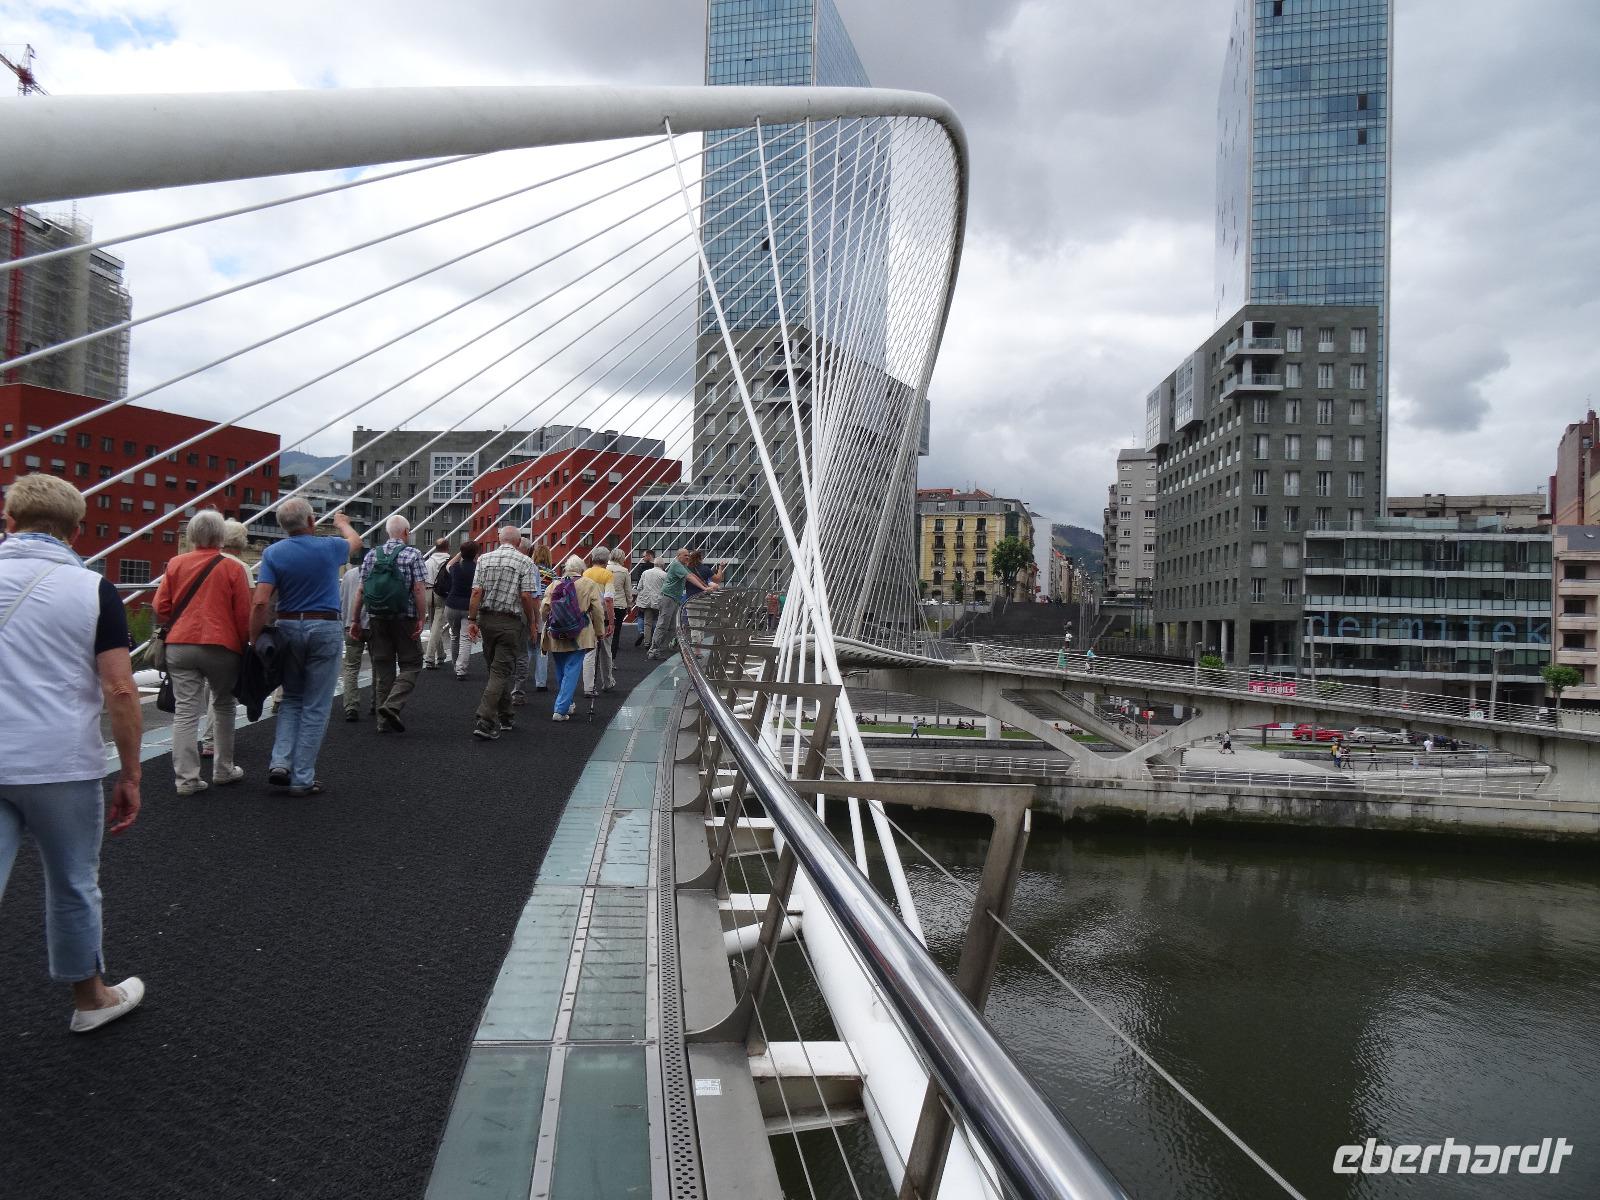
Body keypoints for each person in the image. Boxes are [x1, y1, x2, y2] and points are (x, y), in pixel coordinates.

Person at [0, 473, 146, 1032]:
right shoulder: (93, 590)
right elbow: (120, 689)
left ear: (9, 521)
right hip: (59, 760)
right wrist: (130, 773)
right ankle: (90, 999)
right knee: (72, 882)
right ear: (76, 532)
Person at [252, 497, 364, 796]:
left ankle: (279, 762)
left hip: (287, 628)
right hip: (325, 626)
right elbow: (356, 542)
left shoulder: (273, 553)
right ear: (312, 521)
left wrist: (255, 638)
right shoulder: (329, 546)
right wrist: (342, 524)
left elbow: (261, 600)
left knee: (291, 699)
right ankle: (302, 778)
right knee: (316, 705)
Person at [155, 510, 254, 795]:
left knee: (185, 712)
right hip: (221, 646)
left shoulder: (175, 564)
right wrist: (243, 646)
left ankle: (186, 779)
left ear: (192, 536)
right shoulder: (232, 568)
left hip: (180, 645)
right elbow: (242, 614)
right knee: (223, 705)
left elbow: (161, 607)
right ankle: (224, 770)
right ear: (221, 536)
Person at [350, 515, 427, 732]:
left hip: (376, 619)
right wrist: (422, 618)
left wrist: (356, 620)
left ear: (387, 532)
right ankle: (392, 706)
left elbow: (361, 591)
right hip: (405, 618)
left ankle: (382, 723)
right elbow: (419, 589)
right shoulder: (413, 554)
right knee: (412, 664)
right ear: (406, 532)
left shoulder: (372, 554)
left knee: (383, 668)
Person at [465, 526, 540, 740]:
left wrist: (472, 619)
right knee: (500, 671)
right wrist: (533, 623)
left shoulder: (484, 559)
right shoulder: (525, 561)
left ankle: (506, 715)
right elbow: (526, 596)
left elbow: (477, 592)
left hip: (487, 620)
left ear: (500, 539)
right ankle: (485, 720)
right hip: (510, 623)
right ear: (518, 543)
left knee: (497, 669)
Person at [198, 517, 258, 760]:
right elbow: (249, 607)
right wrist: (250, 639)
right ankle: (213, 741)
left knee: (205, 689)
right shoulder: (241, 568)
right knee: (222, 693)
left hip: (196, 633)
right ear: (242, 542)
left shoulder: (203, 561)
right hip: (224, 638)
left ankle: (207, 736)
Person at [543, 554, 607, 721]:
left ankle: (568, 703)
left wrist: (546, 622)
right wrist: (600, 631)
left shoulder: (554, 584)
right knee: (572, 668)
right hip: (580, 632)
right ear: (581, 569)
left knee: (561, 669)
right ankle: (561, 709)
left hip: (556, 632)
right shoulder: (589, 584)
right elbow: (598, 610)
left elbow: (544, 608)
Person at [649, 548, 717, 659]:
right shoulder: (676, 565)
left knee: (672, 627)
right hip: (668, 597)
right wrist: (704, 589)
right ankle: (653, 651)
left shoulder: (683, 566)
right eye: (685, 555)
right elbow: (689, 577)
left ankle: (661, 650)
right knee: (663, 625)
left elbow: (694, 576)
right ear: (678, 556)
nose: (687, 557)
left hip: (675, 598)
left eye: (688, 555)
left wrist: (705, 586)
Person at [338, 545, 374, 721]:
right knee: (379, 665)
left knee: (351, 667)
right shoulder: (377, 575)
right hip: (373, 626)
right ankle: (377, 703)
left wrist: (345, 621)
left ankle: (351, 705)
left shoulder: (348, 575)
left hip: (350, 626)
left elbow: (342, 600)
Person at [582, 547, 618, 696]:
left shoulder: (585, 573)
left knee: (590, 651)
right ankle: (607, 681)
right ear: (607, 559)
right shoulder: (607, 574)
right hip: (601, 615)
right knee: (606, 651)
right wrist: (611, 621)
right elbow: (608, 599)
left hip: (587, 615)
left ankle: (588, 686)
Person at [443, 538, 480, 679]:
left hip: (451, 605)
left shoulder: (455, 568)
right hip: (468, 607)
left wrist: (460, 553)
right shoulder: (478, 569)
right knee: (466, 638)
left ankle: (455, 664)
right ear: (476, 553)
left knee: (455, 636)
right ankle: (461, 669)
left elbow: (448, 564)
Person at [421, 536, 453, 669]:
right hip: (441, 595)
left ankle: (441, 655)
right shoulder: (450, 561)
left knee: (434, 623)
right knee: (437, 625)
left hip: (427, 592)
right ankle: (429, 658)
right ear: (447, 547)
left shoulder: (428, 561)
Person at [635, 554, 667, 652]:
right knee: (658, 622)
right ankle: (655, 642)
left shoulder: (645, 573)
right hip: (658, 601)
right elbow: (666, 589)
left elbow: (639, 587)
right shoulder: (664, 575)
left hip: (646, 600)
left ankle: (646, 642)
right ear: (662, 565)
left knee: (647, 622)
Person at [608, 550, 635, 660]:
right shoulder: (624, 571)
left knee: (603, 631)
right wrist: (630, 605)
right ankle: (612, 660)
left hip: (605, 603)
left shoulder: (604, 568)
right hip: (619, 605)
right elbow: (628, 591)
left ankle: (601, 658)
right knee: (616, 632)